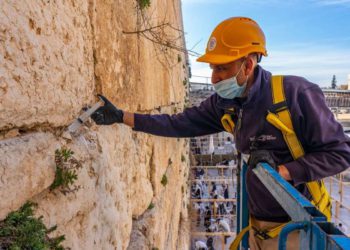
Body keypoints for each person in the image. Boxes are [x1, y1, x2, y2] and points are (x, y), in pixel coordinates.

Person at [91, 17, 350, 249]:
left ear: (247, 66)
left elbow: (340, 153)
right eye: (213, 68)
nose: (214, 78)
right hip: (258, 227)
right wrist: (123, 117)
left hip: (297, 229)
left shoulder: (295, 94)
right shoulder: (225, 105)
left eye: (221, 68)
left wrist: (285, 171)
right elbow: (178, 123)